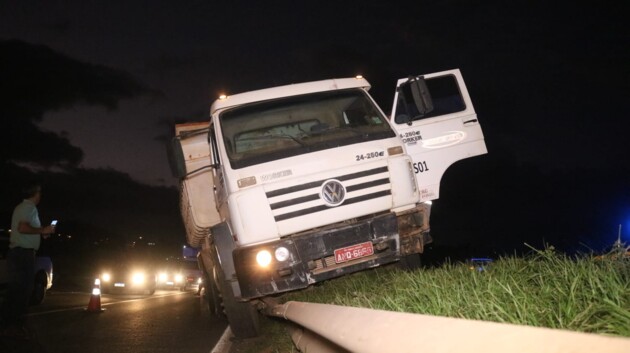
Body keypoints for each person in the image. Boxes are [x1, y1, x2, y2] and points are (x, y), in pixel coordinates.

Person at [1, 182, 55, 339]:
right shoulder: (28, 208)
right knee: (21, 292)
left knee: (16, 291)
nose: (40, 195)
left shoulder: (23, 207)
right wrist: (42, 230)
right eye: (39, 192)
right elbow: (22, 228)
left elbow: (25, 229)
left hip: (19, 254)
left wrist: (42, 233)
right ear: (35, 194)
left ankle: (10, 325)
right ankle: (13, 326)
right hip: (22, 255)